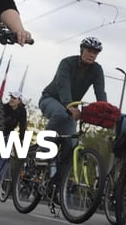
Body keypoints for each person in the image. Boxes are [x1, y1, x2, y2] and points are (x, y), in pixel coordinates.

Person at [39, 36, 107, 177]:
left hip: (70, 108)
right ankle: (43, 151)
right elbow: (63, 85)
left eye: (95, 53)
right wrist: (69, 105)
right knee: (60, 114)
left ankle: (57, 188)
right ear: (82, 50)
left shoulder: (97, 70)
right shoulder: (67, 63)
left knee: (72, 144)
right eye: (89, 50)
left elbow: (100, 91)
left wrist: (105, 111)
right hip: (50, 99)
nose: (92, 55)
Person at [0, 90, 28, 192]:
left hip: (8, 133)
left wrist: (21, 140)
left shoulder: (22, 111)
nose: (11, 100)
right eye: (11, 97)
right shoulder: (4, 107)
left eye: (14, 98)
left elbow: (23, 125)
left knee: (4, 157)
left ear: (19, 101)